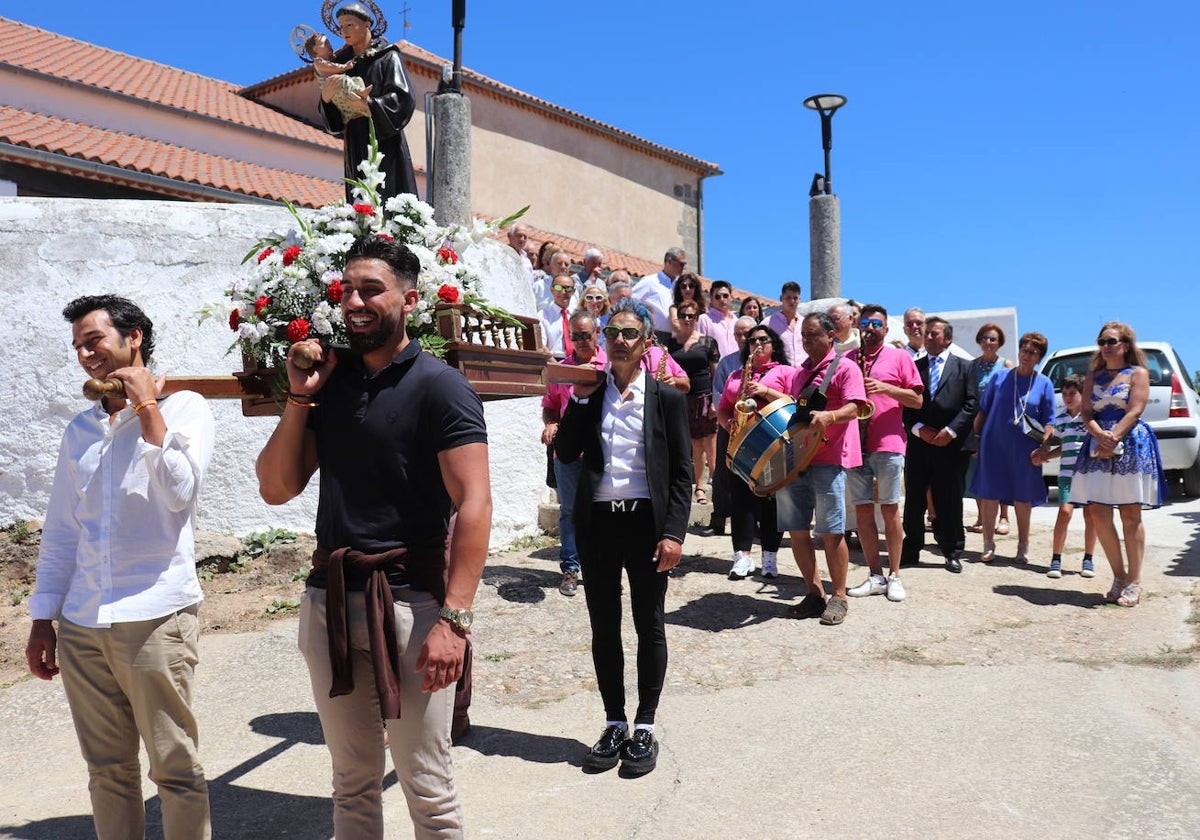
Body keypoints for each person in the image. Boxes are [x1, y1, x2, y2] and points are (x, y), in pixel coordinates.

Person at [256, 235, 491, 837]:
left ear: (409, 299)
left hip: (412, 605)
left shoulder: (441, 387)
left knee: (427, 784)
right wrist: (299, 399)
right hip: (329, 600)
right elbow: (277, 488)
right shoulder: (329, 385)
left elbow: (474, 503)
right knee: (351, 782)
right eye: (347, 290)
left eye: (372, 289)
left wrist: (455, 620)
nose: (355, 301)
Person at [27, 294, 215, 840]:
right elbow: (63, 532)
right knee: (107, 771)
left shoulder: (185, 408)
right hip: (84, 623)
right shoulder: (80, 431)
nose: (87, 355)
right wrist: (44, 618)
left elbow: (180, 493)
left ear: (133, 338)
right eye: (79, 348)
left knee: (175, 768)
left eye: (95, 341)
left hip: (155, 616)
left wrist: (147, 408)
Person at [554, 298, 692, 777]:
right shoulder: (591, 395)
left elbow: (681, 472)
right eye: (613, 332)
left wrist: (674, 533)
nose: (618, 340)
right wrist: (579, 397)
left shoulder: (667, 399)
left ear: (647, 344)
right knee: (604, 626)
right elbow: (567, 451)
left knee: (648, 623)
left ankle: (645, 725)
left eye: (629, 333)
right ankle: (614, 721)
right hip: (597, 525)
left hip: (645, 526)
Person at [1069, 322, 1169, 608]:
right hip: (1097, 443)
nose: (1106, 346)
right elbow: (1086, 411)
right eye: (1102, 341)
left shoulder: (1138, 373)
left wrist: (1114, 436)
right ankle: (1119, 576)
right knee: (1099, 512)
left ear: (1125, 345)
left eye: (1111, 341)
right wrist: (1099, 434)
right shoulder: (1092, 376)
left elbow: (1136, 408)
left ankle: (1135, 581)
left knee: (1129, 513)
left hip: (1129, 443)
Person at [778, 313, 868, 625]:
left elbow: (857, 406)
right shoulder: (798, 373)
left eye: (813, 335)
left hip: (830, 459)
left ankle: (839, 596)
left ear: (831, 336)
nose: (806, 340)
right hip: (798, 459)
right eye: (803, 335)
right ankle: (813, 593)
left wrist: (830, 417)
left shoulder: (845, 367)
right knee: (797, 529)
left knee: (831, 530)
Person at [845, 305, 924, 603]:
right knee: (863, 511)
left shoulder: (900, 357)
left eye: (876, 323)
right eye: (865, 322)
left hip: (889, 444)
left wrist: (885, 388)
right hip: (856, 444)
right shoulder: (850, 359)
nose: (870, 328)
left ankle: (895, 575)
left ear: (885, 329)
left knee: (890, 510)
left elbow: (917, 399)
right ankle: (875, 575)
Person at [716, 323, 796, 579]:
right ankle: (742, 557)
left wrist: (766, 391)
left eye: (763, 340)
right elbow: (723, 407)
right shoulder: (736, 376)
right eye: (752, 341)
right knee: (741, 501)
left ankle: (769, 558)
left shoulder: (785, 371)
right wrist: (728, 423)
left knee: (771, 502)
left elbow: (794, 402)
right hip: (741, 445)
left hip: (772, 444)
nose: (757, 344)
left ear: (774, 346)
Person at [900, 316, 978, 573]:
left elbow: (971, 404)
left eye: (935, 333)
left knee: (950, 498)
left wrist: (951, 431)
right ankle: (911, 549)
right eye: (927, 333)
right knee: (914, 499)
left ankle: (951, 549)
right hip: (920, 443)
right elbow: (907, 405)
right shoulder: (914, 365)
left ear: (948, 338)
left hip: (951, 446)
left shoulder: (965, 367)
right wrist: (919, 430)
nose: (929, 337)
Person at [318, 3, 418, 202]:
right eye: (341, 26)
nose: (344, 31)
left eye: (350, 24)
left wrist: (369, 105)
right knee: (358, 196)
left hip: (384, 139)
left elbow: (403, 97)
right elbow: (334, 123)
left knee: (388, 196)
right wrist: (326, 100)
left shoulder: (387, 56)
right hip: (355, 138)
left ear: (367, 25)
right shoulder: (340, 64)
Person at [970, 332, 1056, 564]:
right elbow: (983, 411)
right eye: (1024, 350)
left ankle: (1023, 546)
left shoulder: (1044, 383)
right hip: (993, 444)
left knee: (1023, 496)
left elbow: (1049, 420)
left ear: (1039, 357)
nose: (1027, 355)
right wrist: (975, 439)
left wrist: (1044, 447)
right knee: (989, 493)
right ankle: (988, 543)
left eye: (1033, 353)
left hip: (1026, 449)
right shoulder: (1000, 378)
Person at [542, 311, 607, 596]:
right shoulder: (562, 370)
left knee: (602, 510)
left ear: (597, 333)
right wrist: (551, 422)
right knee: (569, 511)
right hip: (567, 453)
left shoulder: (611, 365)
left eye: (586, 334)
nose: (581, 340)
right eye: (575, 336)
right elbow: (550, 405)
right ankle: (570, 568)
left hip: (602, 449)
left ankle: (602, 567)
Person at [1031, 374, 1097, 578]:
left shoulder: (1091, 419)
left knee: (1090, 515)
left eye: (1073, 393)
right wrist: (1044, 455)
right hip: (1067, 474)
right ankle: (1056, 559)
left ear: (1082, 394)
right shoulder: (1060, 420)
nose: (1068, 397)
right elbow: (1060, 446)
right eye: (1065, 393)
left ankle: (1088, 559)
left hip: (1089, 475)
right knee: (1065, 512)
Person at [703, 316, 758, 538]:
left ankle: (753, 522)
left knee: (753, 475)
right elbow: (717, 394)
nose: (743, 338)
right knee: (722, 474)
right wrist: (728, 423)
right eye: (739, 334)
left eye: (748, 334)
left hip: (755, 428)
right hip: (730, 426)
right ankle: (718, 519)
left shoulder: (765, 360)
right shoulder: (727, 362)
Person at [668, 299, 721, 506]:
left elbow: (716, 374)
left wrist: (716, 401)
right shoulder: (672, 343)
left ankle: (717, 487)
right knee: (695, 445)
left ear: (697, 318)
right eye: (683, 316)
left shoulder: (708, 342)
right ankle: (699, 487)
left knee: (711, 443)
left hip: (705, 396)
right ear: (678, 318)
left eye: (691, 316)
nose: (687, 319)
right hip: (682, 398)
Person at [966, 323, 1015, 535]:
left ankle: (1004, 516)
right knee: (978, 471)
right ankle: (981, 515)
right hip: (975, 424)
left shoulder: (1006, 365)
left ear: (999, 343)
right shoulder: (971, 366)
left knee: (999, 470)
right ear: (979, 340)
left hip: (998, 425)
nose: (988, 343)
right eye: (985, 338)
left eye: (993, 339)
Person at [304, 32, 367, 123]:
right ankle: (358, 96)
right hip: (334, 89)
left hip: (338, 87)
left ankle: (360, 92)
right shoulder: (318, 62)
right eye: (325, 44)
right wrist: (345, 67)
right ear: (315, 49)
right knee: (344, 80)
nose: (329, 45)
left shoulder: (329, 59)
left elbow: (338, 52)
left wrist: (346, 46)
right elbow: (332, 67)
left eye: (329, 42)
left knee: (356, 80)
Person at [631, 247, 687, 339]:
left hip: (676, 338)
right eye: (681, 264)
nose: (684, 268)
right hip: (654, 335)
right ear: (669, 261)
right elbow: (630, 302)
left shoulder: (681, 286)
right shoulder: (650, 282)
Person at [538, 274, 578, 359]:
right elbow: (542, 347)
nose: (563, 292)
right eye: (558, 288)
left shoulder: (577, 316)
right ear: (551, 290)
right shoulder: (542, 316)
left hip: (576, 362)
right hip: (553, 361)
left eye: (568, 288)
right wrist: (558, 366)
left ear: (573, 291)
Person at [697, 279, 739, 357]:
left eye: (725, 296)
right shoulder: (704, 319)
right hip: (714, 367)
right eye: (717, 296)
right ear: (711, 298)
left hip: (737, 367)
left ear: (731, 297)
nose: (722, 299)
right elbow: (700, 349)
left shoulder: (736, 321)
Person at [765, 281, 803, 364]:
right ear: (781, 298)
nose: (792, 301)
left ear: (799, 299)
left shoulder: (805, 323)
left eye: (795, 298)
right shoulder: (768, 323)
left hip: (803, 373)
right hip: (780, 372)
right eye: (788, 297)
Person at [669, 271, 708, 336]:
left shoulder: (703, 308)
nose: (687, 289)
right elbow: (676, 325)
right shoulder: (674, 308)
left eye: (691, 286)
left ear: (696, 288)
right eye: (683, 286)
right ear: (679, 289)